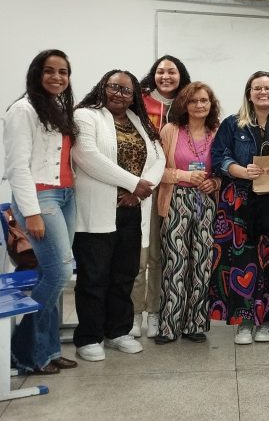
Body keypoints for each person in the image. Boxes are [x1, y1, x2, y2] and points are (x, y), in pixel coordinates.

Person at [71, 70, 164, 362]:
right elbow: (87, 156)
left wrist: (140, 191)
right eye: (114, 87)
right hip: (96, 211)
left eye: (126, 90)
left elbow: (159, 158)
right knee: (94, 277)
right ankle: (89, 337)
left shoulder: (138, 121)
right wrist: (133, 183)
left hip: (130, 210)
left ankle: (118, 331)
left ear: (134, 96)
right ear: (103, 87)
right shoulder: (85, 116)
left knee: (124, 274)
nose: (119, 94)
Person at [210, 71, 269, 345]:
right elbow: (219, 158)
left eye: (268, 88)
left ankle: (266, 322)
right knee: (243, 262)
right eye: (257, 88)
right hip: (240, 203)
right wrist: (240, 170)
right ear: (249, 94)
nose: (263, 92)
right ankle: (244, 322)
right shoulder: (232, 124)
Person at [3, 49, 80, 375]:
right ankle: (24, 349)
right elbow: (17, 168)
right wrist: (31, 213)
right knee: (60, 273)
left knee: (53, 274)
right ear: (37, 73)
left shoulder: (58, 107)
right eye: (50, 71)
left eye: (63, 72)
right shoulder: (22, 110)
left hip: (66, 195)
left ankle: (47, 351)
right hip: (40, 197)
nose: (57, 77)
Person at [154, 82, 220, 345]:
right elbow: (156, 170)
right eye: (193, 101)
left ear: (211, 105)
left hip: (206, 201)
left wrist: (215, 182)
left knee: (202, 263)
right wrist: (184, 175)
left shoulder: (218, 132)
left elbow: (224, 169)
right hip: (176, 200)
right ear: (184, 104)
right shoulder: (170, 131)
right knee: (175, 263)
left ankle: (195, 324)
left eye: (204, 100)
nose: (199, 105)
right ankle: (169, 326)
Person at [132, 55, 191, 339]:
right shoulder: (138, 101)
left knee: (159, 255)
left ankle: (155, 311)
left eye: (172, 71)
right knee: (138, 254)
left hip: (173, 188)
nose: (166, 76)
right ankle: (134, 313)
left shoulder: (188, 102)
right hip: (140, 185)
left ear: (181, 75)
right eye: (161, 71)